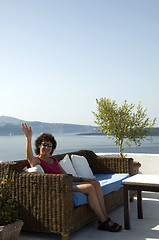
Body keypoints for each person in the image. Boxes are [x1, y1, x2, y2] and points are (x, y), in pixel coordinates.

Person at [21, 122, 122, 232]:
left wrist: (84, 179)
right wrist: (28, 138)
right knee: (90, 187)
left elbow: (66, 176)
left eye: (50, 145)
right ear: (39, 145)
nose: (47, 147)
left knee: (95, 183)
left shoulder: (54, 160)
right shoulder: (38, 160)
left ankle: (105, 216)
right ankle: (103, 221)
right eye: (44, 144)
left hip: (67, 184)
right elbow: (29, 157)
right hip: (58, 187)